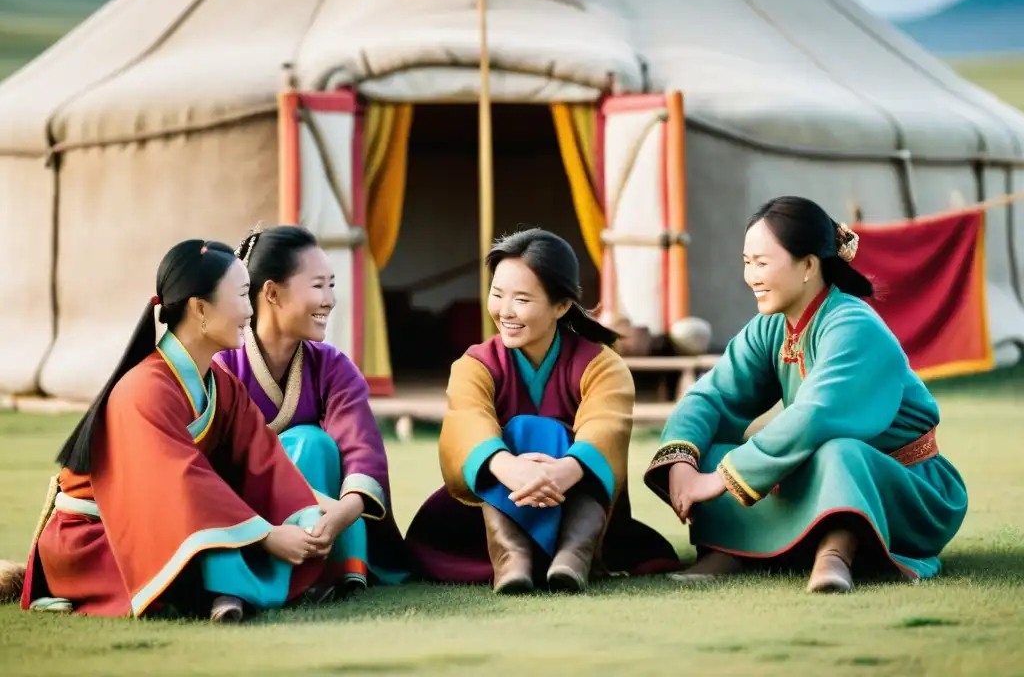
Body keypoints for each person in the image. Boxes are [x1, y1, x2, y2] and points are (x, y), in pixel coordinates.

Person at [13, 239, 359, 621]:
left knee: (229, 533)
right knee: (206, 552)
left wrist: (311, 519)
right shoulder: (142, 389)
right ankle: (226, 591)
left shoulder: (223, 386)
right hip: (100, 537)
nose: (250, 310)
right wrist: (268, 535)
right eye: (243, 295)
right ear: (200, 309)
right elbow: (184, 481)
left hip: (172, 520)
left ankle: (231, 593)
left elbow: (267, 462)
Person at [644, 196, 969, 593]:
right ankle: (730, 549)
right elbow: (710, 397)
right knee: (711, 448)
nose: (750, 276)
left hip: (905, 485)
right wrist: (684, 462)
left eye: (762, 263)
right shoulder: (771, 328)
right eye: (747, 262)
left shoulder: (854, 325)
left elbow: (817, 415)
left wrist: (720, 480)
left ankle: (834, 553)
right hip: (819, 471)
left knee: (839, 451)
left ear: (809, 266)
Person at [404, 228, 680, 593]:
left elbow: (605, 428)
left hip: (573, 500)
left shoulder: (601, 365)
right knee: (517, 434)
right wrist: (508, 467)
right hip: (488, 515)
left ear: (561, 305)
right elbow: (467, 423)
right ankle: (510, 556)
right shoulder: (475, 364)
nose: (504, 311)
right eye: (497, 294)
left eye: (521, 299)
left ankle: (574, 554)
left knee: (549, 435)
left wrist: (567, 469)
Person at [215, 225, 408, 596]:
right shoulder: (223, 365)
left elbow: (361, 448)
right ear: (271, 292)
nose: (330, 299)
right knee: (307, 441)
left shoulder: (332, 366)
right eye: (319, 285)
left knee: (314, 442)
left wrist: (343, 513)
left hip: (331, 521)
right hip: (253, 523)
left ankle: (334, 567)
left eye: (331, 285)